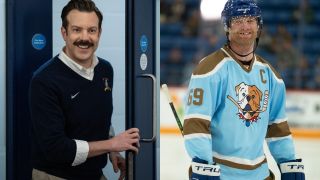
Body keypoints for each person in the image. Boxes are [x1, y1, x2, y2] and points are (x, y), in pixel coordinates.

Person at [183, 0, 305, 179]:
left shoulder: (271, 75)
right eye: (238, 20)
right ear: (227, 26)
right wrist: (203, 164)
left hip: (261, 175)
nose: (245, 26)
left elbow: (277, 127)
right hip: (222, 175)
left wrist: (288, 162)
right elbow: (196, 124)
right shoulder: (210, 68)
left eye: (250, 20)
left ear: (258, 25)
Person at [29, 0, 140, 179]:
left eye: (91, 30)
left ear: (99, 33)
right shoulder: (44, 80)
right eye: (76, 30)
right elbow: (56, 149)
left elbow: (99, 118)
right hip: (55, 176)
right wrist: (110, 145)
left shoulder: (105, 70)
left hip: (94, 174)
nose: (85, 38)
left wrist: (112, 152)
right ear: (64, 33)